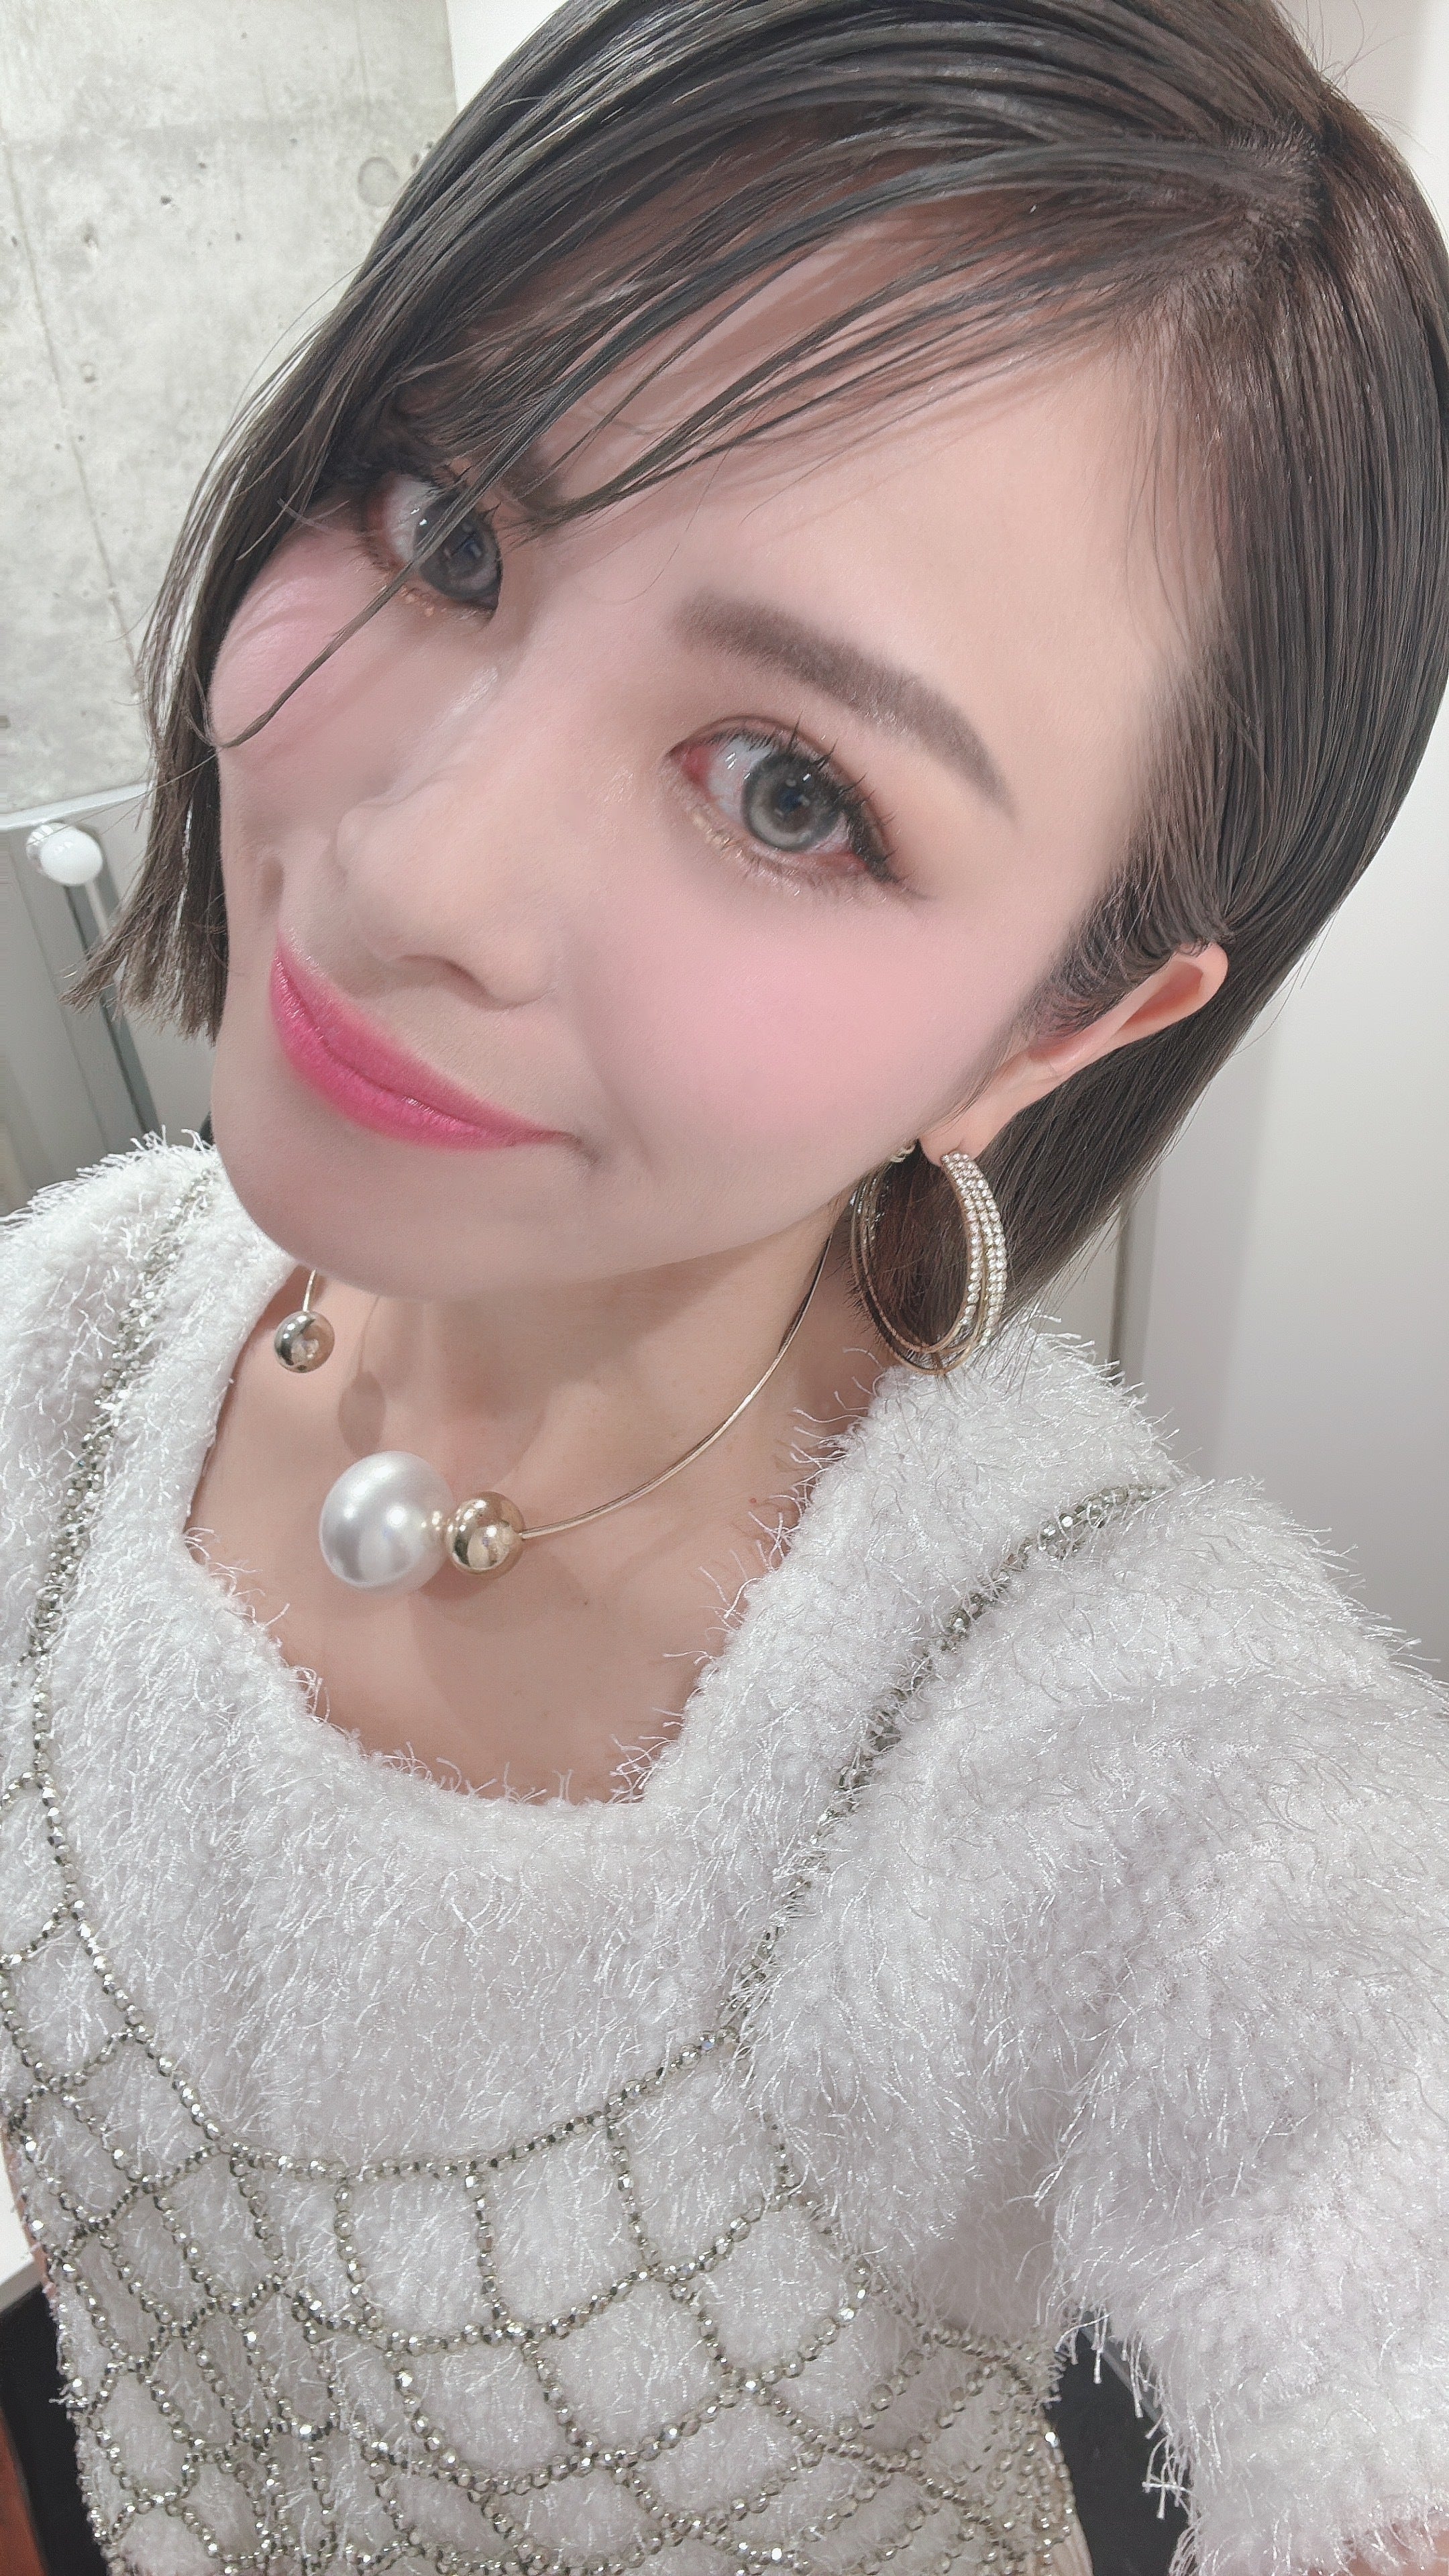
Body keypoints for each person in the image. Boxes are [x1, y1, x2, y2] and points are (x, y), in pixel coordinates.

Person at [3, 3, 1448, 2572]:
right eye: (445, 525)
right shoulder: (81, 1340)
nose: (415, 869)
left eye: (792, 792)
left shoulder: (1119, 1759)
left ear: (1054, 1033)